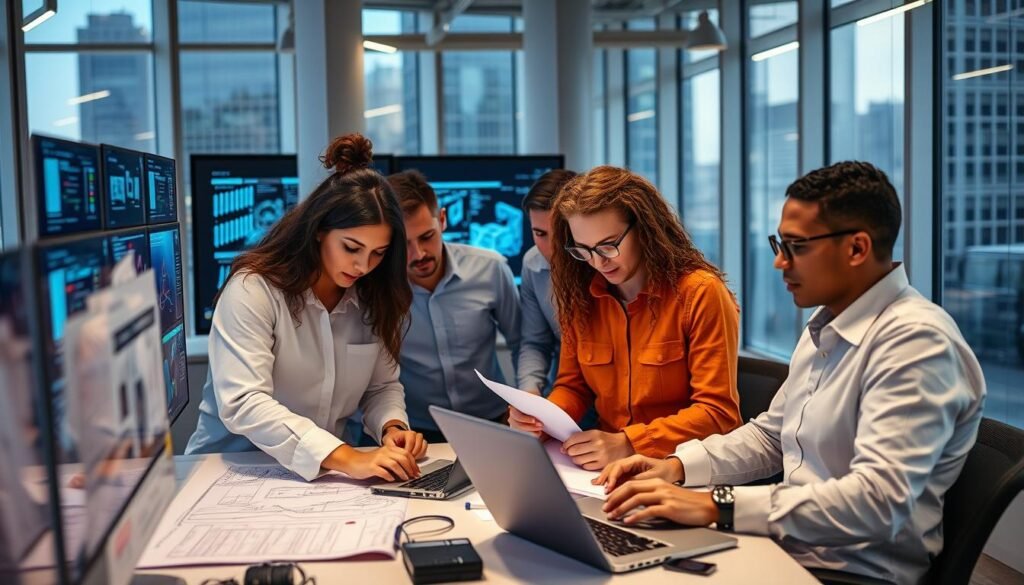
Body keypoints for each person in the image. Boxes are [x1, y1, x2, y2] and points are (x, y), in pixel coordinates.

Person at [597, 162, 986, 585]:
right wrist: (674, 466)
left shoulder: (915, 343)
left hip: (850, 573)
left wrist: (717, 505)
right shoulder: (826, 325)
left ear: (857, 249)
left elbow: (878, 503)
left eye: (796, 246)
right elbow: (772, 436)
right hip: (780, 545)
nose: (780, 262)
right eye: (779, 244)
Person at [186, 134, 427, 483]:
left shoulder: (373, 297)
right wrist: (343, 455)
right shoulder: (253, 290)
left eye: (378, 253)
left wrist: (391, 426)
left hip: (324, 478)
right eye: (351, 248)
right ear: (319, 231)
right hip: (231, 473)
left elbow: (381, 387)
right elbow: (244, 401)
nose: (363, 266)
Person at [509, 165, 742, 469]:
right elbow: (572, 386)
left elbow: (718, 414)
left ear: (644, 228)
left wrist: (629, 443)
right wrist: (541, 417)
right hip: (605, 469)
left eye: (608, 245)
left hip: (682, 468)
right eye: (583, 250)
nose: (597, 262)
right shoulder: (580, 295)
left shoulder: (700, 293)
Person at [387, 170, 521, 443]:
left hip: (494, 423)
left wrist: (526, 401)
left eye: (427, 236)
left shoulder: (490, 268)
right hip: (418, 433)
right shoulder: (379, 290)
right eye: (404, 245)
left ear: (443, 220)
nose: (419, 254)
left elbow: (523, 342)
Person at [517, 169, 577, 396]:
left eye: (562, 233)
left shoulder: (606, 264)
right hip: (568, 390)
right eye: (540, 234)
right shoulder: (533, 264)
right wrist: (530, 392)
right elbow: (535, 342)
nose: (552, 248)